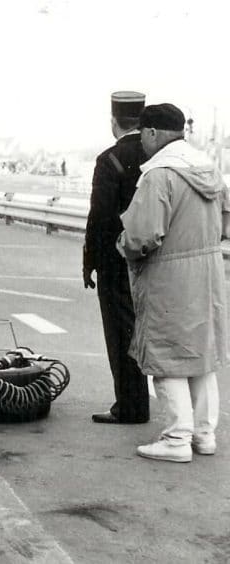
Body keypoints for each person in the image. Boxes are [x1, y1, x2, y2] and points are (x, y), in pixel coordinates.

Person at [117, 103, 230, 462]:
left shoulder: (159, 174)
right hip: (209, 271)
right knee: (200, 354)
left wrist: (123, 245)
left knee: (166, 354)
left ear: (151, 133)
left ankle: (176, 439)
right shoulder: (209, 168)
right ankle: (204, 434)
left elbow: (141, 236)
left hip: (169, 274)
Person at [83, 91, 150, 424]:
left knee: (121, 332)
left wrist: (89, 261)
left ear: (114, 121)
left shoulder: (109, 159)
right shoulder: (157, 156)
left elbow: (100, 217)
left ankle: (130, 405)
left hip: (116, 261)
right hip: (156, 258)